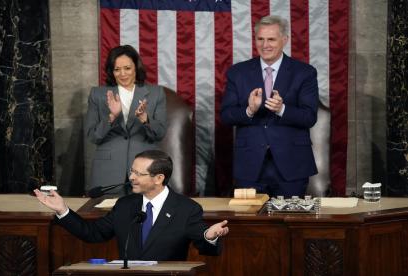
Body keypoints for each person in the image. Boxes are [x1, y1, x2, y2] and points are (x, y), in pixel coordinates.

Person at [34, 150, 229, 261]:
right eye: (131, 171)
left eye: (139, 174)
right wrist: (62, 210)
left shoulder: (186, 208)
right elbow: (92, 233)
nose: (131, 177)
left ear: (159, 178)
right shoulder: (125, 205)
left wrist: (209, 236)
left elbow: (206, 245)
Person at [220, 15, 318, 198]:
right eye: (260, 39)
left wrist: (282, 109)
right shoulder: (238, 72)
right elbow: (226, 115)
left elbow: (309, 117)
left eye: (271, 39)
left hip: (291, 165)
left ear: (284, 40)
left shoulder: (304, 73)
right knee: (250, 224)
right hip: (250, 165)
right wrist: (249, 110)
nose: (265, 45)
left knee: (289, 222)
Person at [85, 45, 167, 194]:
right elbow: (93, 136)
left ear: (136, 67)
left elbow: (160, 133)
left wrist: (145, 119)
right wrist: (111, 117)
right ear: (112, 71)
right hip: (108, 170)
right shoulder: (97, 94)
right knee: (108, 215)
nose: (122, 74)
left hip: (146, 170)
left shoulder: (156, 93)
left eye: (127, 68)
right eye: (117, 69)